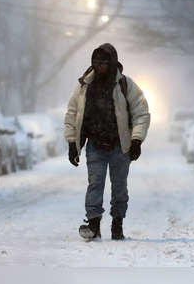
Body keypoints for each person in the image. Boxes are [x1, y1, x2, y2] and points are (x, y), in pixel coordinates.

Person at [64, 43, 150, 241]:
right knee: (95, 183)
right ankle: (93, 224)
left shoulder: (125, 85)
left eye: (103, 62)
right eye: (95, 62)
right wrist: (72, 143)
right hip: (95, 144)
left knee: (119, 186)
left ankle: (117, 223)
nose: (99, 66)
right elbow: (72, 113)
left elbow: (141, 113)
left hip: (120, 146)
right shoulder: (84, 86)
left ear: (112, 63)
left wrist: (136, 140)